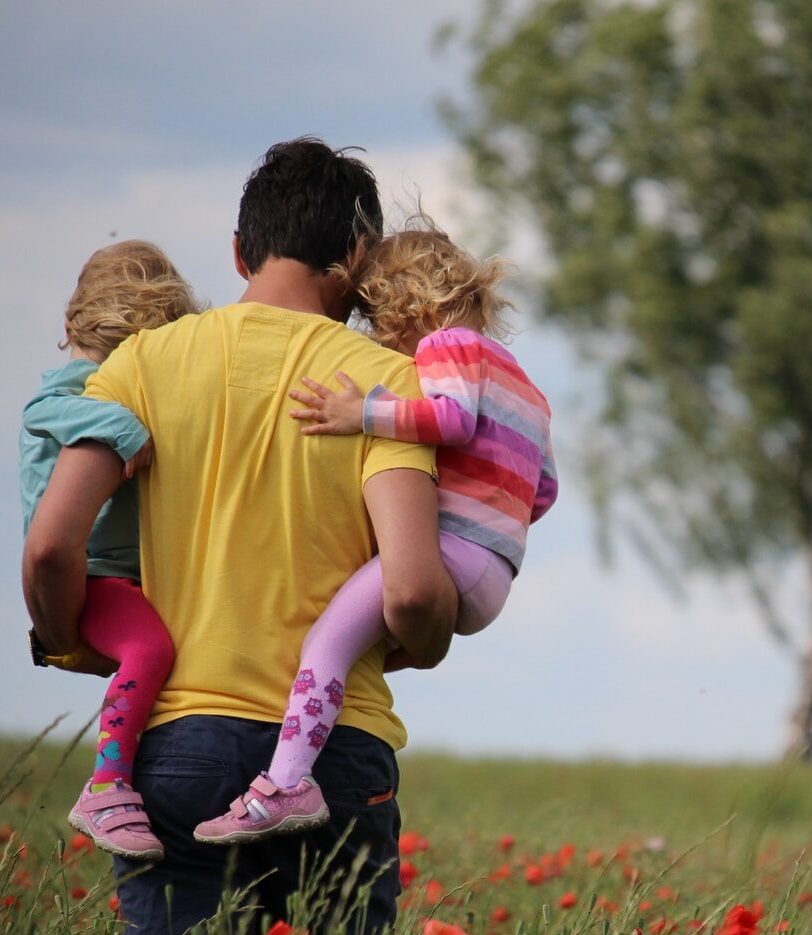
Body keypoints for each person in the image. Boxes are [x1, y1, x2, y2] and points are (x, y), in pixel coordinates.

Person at [22, 138, 459, 935]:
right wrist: (430, 635)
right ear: (359, 257)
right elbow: (409, 590)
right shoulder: (386, 385)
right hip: (335, 756)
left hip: (178, 748)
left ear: (238, 252)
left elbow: (49, 544)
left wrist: (69, 637)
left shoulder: (143, 363)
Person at [194, 224, 558, 844]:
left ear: (406, 306)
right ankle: (306, 754)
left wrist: (359, 413)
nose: (384, 341)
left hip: (451, 554)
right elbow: (543, 490)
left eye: (379, 321)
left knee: (325, 645)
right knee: (358, 646)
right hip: (496, 571)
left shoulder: (447, 347)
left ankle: (286, 784)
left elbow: (450, 418)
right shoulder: (527, 385)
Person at [20, 240, 200, 862]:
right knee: (151, 649)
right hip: (94, 575)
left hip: (123, 576)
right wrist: (124, 428)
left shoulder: (104, 380)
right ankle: (107, 785)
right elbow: (44, 409)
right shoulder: (76, 388)